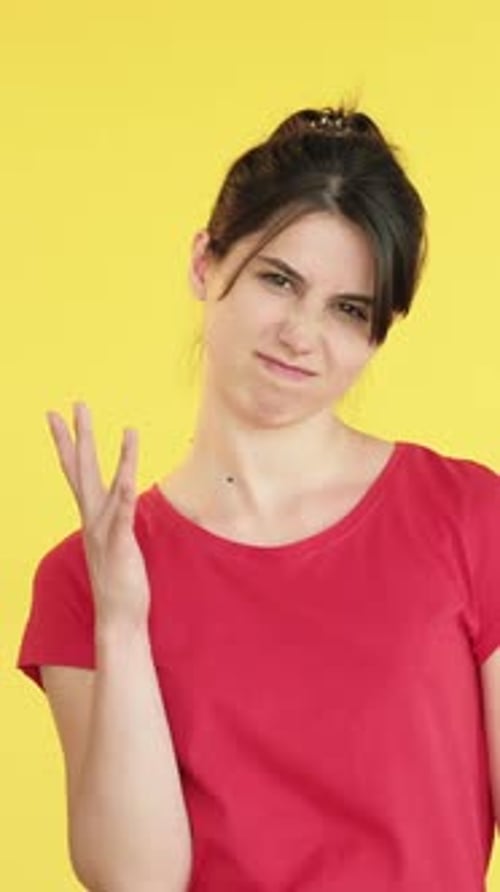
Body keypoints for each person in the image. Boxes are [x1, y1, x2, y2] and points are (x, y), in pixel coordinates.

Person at [16, 105, 500, 892]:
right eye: (279, 280)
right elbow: (136, 882)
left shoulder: (470, 518)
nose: (301, 334)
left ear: (379, 332)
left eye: (349, 309)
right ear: (205, 263)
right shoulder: (87, 575)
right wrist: (122, 624)